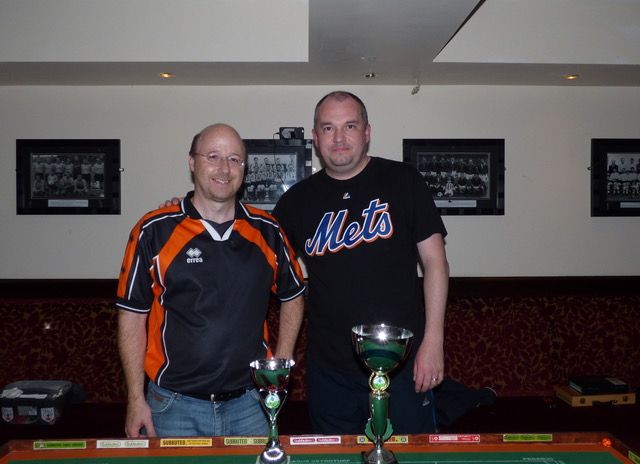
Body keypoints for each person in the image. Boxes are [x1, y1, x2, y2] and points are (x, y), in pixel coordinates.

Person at [272, 91, 449, 435]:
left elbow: (435, 263)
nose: (339, 138)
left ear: (367, 132)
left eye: (349, 126)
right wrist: (189, 209)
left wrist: (434, 342)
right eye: (328, 128)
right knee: (336, 457)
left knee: (410, 456)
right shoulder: (297, 201)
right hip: (329, 372)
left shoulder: (404, 181)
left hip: (402, 364)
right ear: (315, 137)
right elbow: (253, 248)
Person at [116, 123, 306, 438]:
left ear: (244, 168)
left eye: (234, 159)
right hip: (173, 407)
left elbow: (294, 295)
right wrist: (135, 399)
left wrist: (280, 367)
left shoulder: (268, 231)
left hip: (251, 405)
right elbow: (132, 317)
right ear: (192, 162)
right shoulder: (153, 231)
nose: (224, 168)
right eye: (213, 156)